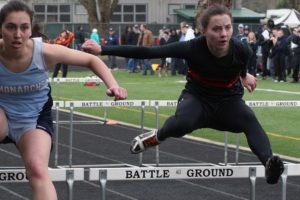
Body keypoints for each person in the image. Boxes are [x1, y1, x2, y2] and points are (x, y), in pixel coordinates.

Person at [82, 4, 284, 185]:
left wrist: (244, 76)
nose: (223, 33)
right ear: (203, 31)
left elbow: (242, 66)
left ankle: (269, 164)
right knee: (183, 123)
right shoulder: (191, 48)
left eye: (228, 27)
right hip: (197, 98)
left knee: (249, 119)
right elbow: (148, 52)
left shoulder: (243, 49)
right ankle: (157, 136)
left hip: (228, 102)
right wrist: (102, 49)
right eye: (216, 28)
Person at [0, 1, 127, 200]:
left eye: (24, 27)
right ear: (1, 28)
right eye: (10, 27)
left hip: (33, 119)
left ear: (30, 28)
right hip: (2, 113)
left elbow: (91, 60)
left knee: (37, 170)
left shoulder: (44, 52)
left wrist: (113, 84)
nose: (18, 34)